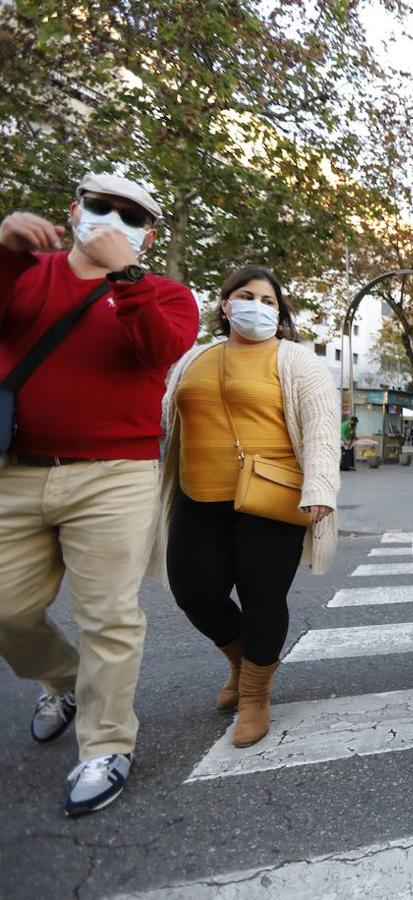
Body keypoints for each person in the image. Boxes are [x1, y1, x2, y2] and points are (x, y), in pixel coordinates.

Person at [0, 173, 198, 815]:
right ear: (73, 209)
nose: (112, 220)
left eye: (131, 216)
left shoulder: (165, 293)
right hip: (18, 468)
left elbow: (160, 348)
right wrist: (6, 249)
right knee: (6, 608)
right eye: (100, 206)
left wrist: (128, 278)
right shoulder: (30, 273)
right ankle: (64, 683)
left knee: (109, 615)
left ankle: (107, 742)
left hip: (115, 474)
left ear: (148, 234)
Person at [150, 266, 339, 748]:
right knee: (193, 591)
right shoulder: (193, 358)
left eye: (269, 300)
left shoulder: (297, 360)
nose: (258, 304)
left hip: (272, 499)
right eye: (245, 295)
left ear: (279, 314)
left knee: (262, 599)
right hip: (199, 496)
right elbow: (166, 420)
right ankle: (240, 658)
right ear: (225, 305)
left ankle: (255, 695)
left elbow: (320, 427)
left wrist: (319, 488)